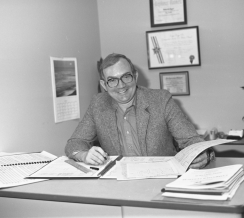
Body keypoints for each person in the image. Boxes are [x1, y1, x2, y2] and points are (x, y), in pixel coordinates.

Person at [65, 53, 211, 168]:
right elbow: (74, 143)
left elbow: (191, 139)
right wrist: (84, 155)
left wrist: (201, 153)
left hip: (161, 178)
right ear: (104, 84)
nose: (121, 86)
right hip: (118, 181)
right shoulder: (98, 104)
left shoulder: (161, 100)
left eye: (126, 77)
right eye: (112, 80)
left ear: (135, 76)